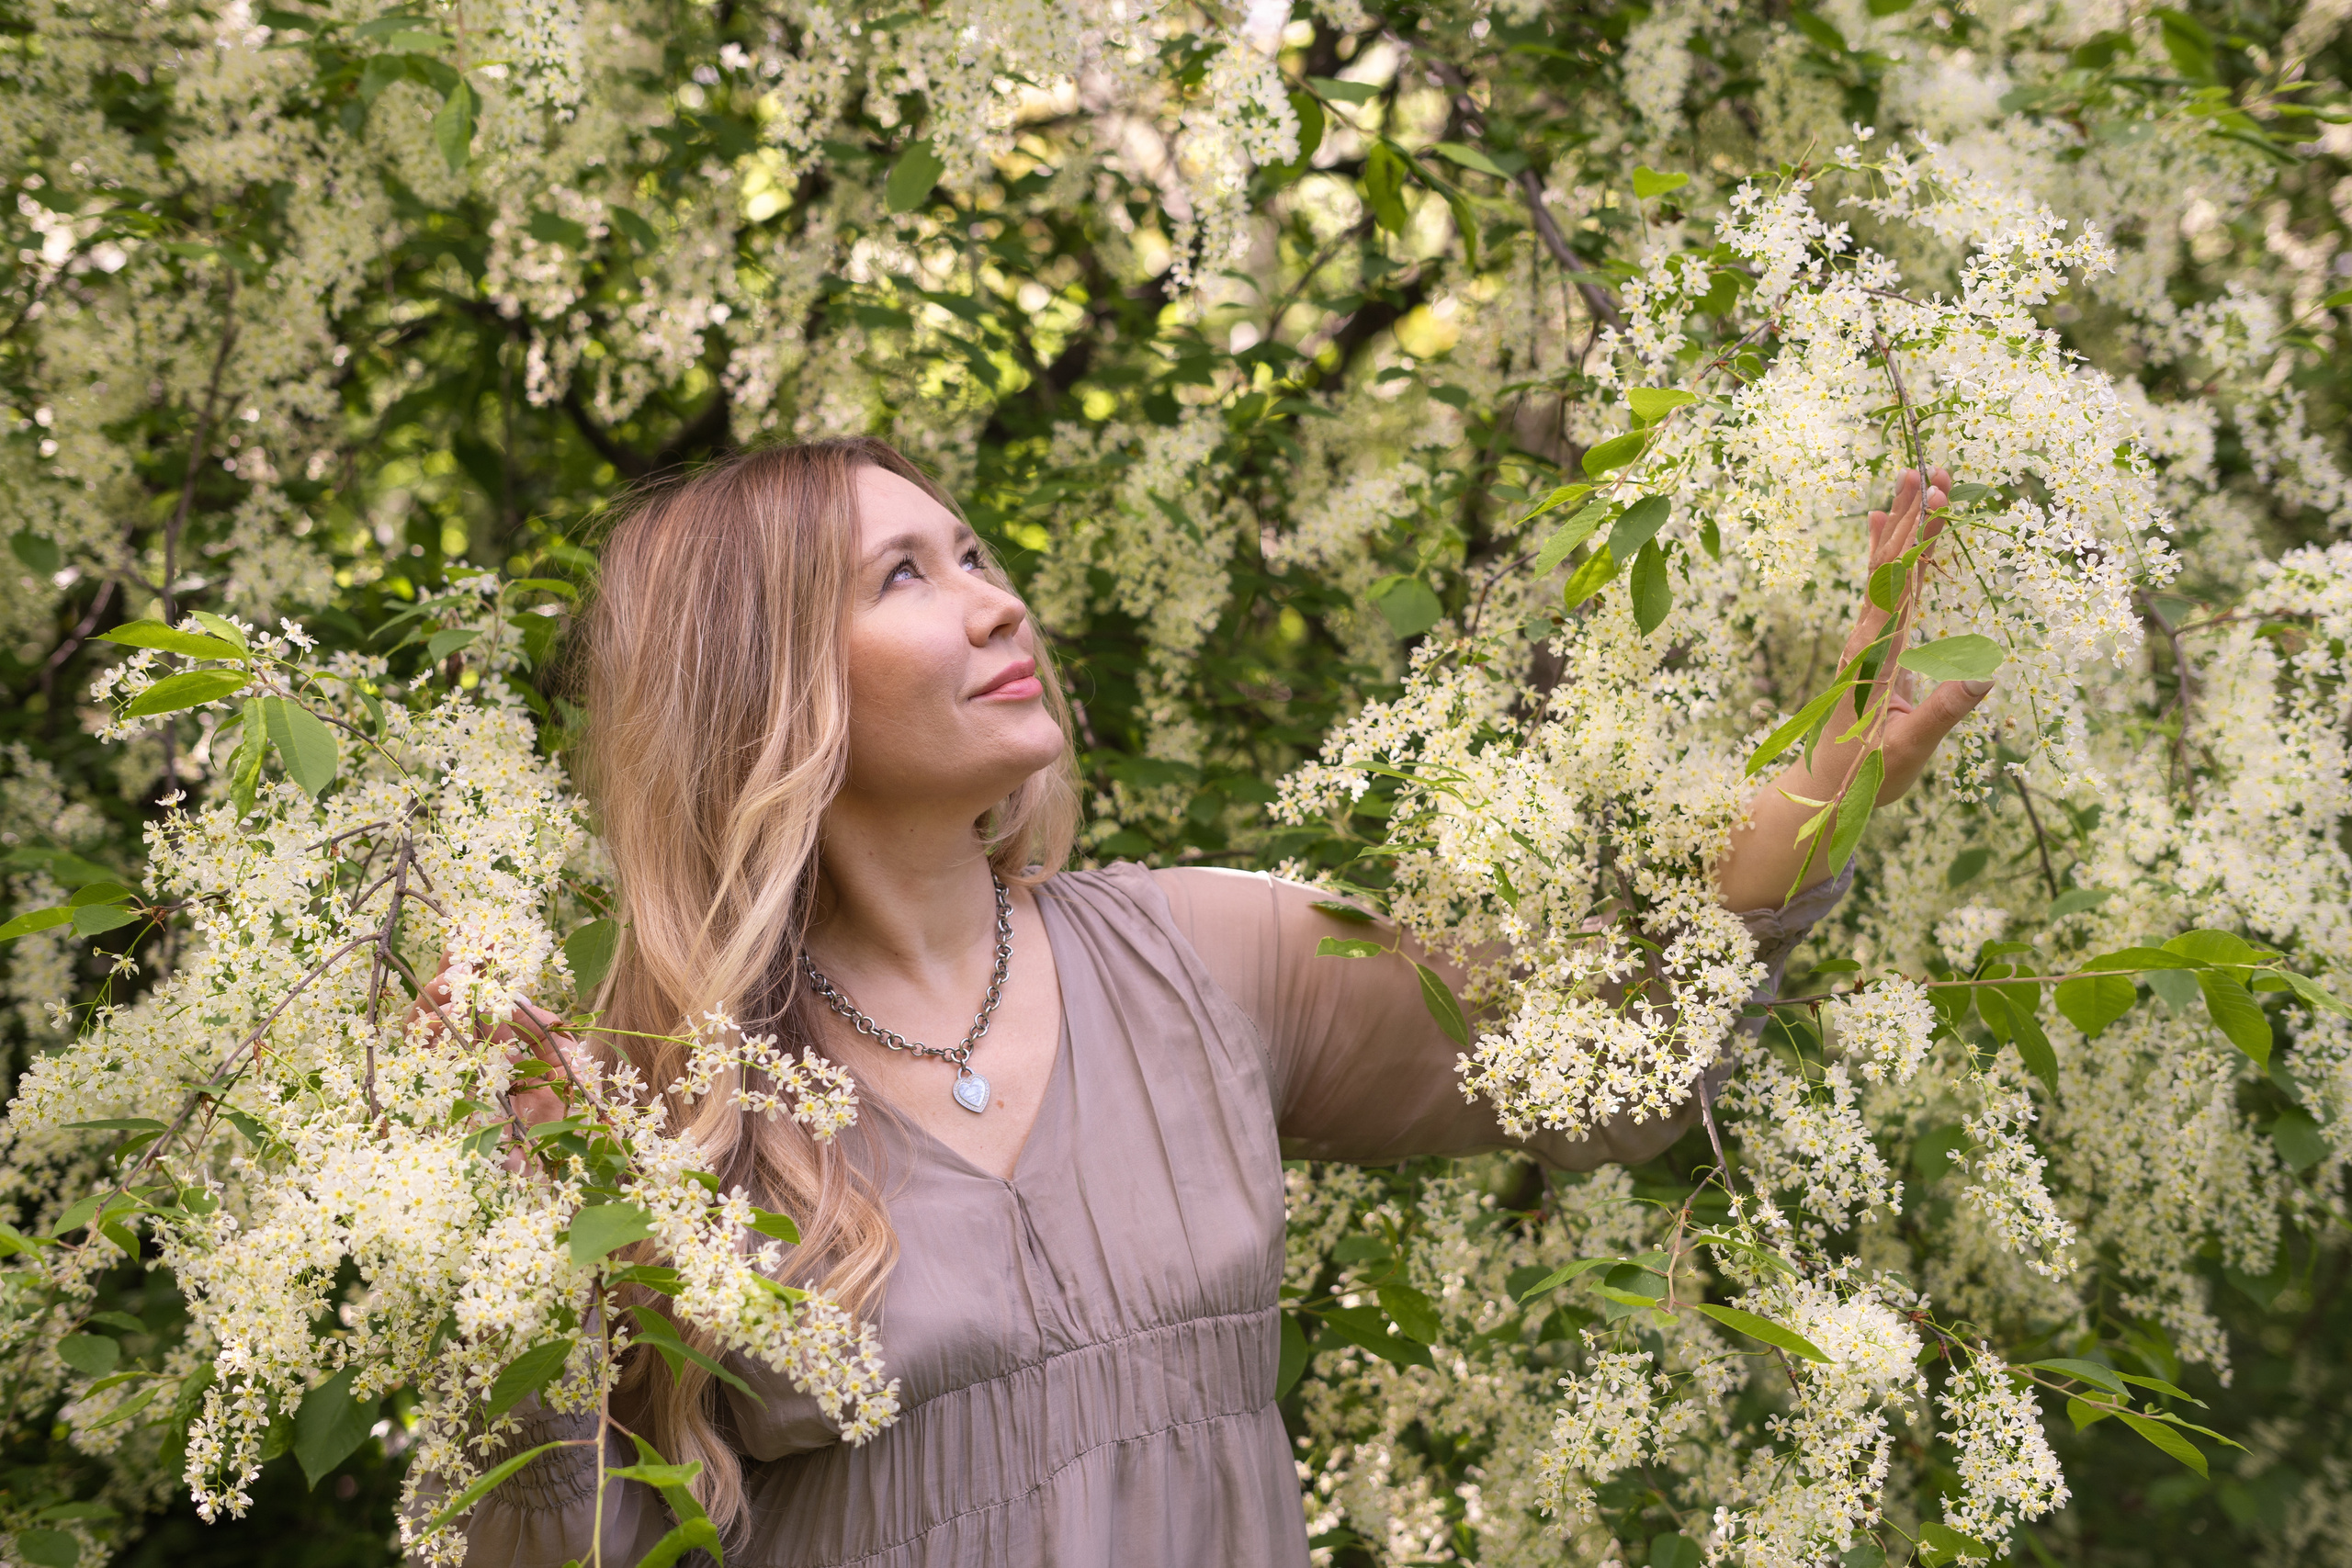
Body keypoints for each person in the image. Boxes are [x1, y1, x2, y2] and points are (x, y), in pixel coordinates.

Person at [452, 437, 1984, 1567]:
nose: (994, 605)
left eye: (977, 555)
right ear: (765, 682)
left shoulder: (1198, 955)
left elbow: (1599, 1054)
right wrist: (536, 1251)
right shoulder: (660, 1103)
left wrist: (1844, 756)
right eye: (902, 578)